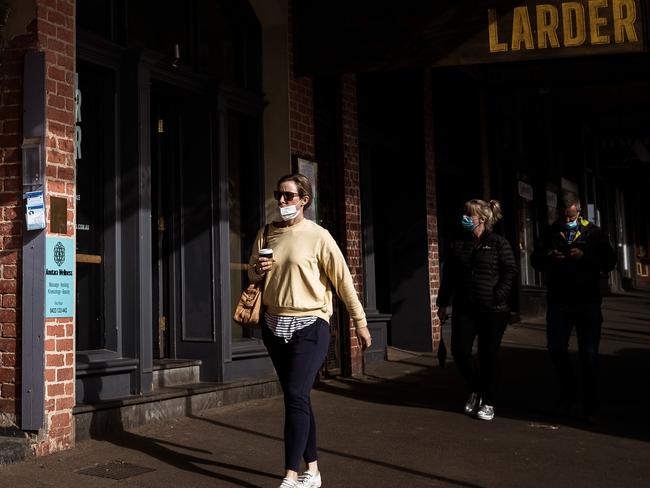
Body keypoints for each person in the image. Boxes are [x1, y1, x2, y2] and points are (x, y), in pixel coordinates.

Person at [248, 173, 372, 488]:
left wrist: (360, 322)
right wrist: (257, 270)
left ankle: (291, 474)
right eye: (279, 195)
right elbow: (251, 271)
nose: (282, 202)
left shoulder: (319, 236)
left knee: (294, 395)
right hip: (274, 325)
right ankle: (313, 470)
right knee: (298, 398)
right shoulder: (266, 234)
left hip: (311, 323)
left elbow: (343, 281)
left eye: (289, 196)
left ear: (304, 200)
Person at [531, 195, 616, 419]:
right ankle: (569, 393)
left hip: (588, 301)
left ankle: (591, 406)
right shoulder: (550, 232)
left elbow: (609, 262)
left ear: (578, 212)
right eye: (563, 216)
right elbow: (535, 259)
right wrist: (550, 256)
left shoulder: (594, 233)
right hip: (559, 301)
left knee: (589, 355)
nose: (567, 219)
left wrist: (584, 255)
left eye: (571, 216)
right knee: (556, 348)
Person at [436, 199, 517, 421]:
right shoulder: (459, 244)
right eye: (464, 213)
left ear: (482, 218)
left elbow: (510, 271)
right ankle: (478, 389)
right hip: (466, 307)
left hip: (494, 309)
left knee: (487, 354)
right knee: (460, 351)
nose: (464, 217)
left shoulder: (498, 243)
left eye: (469, 214)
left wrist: (497, 294)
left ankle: (488, 402)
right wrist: (443, 303)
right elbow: (450, 276)